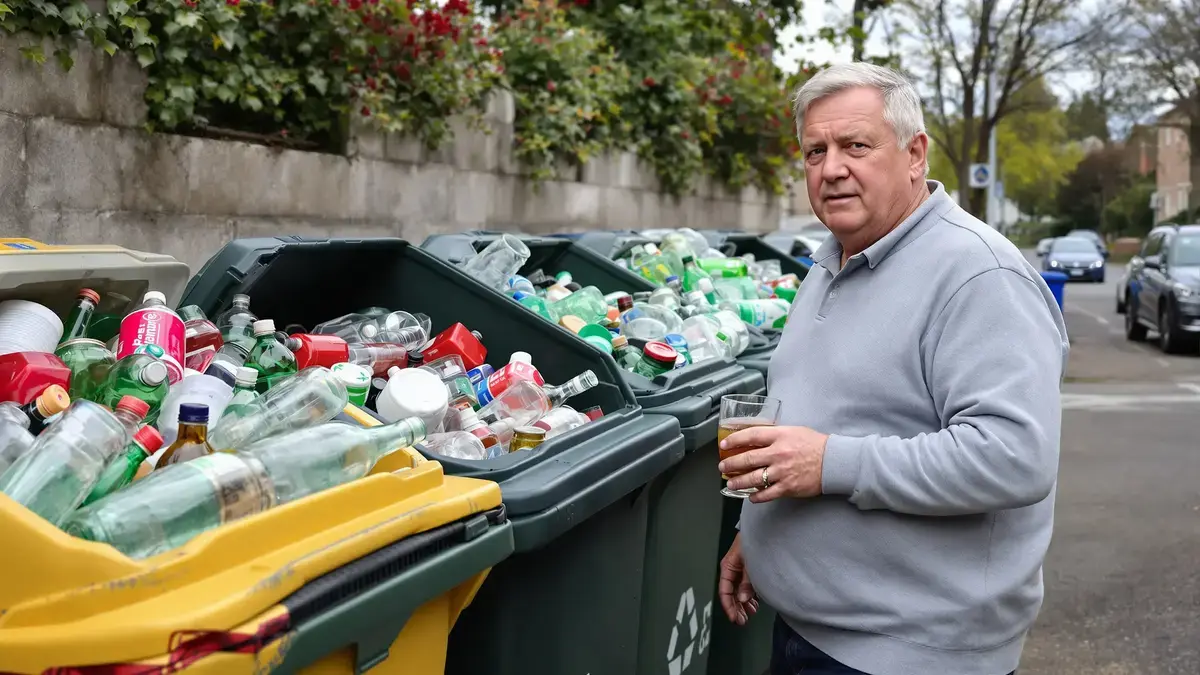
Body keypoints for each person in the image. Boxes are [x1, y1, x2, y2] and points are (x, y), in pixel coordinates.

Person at [717, 62, 1069, 675]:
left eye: (856, 146)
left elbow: (1013, 457)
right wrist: (764, 530)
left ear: (915, 155)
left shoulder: (978, 274)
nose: (831, 168)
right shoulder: (834, 261)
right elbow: (832, 413)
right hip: (810, 630)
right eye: (814, 151)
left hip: (907, 653)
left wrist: (828, 463)